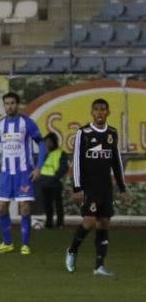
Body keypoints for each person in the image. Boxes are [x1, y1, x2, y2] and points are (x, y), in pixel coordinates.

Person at [66, 97, 127, 277]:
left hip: (105, 187)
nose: (100, 113)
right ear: (92, 112)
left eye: (103, 109)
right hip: (89, 186)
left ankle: (99, 266)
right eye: (97, 109)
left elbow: (116, 162)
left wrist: (122, 188)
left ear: (108, 112)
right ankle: (72, 250)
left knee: (104, 223)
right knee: (89, 221)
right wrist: (77, 187)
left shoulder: (112, 133)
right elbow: (76, 161)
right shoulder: (83, 133)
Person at [0, 91, 43, 255]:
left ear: (18, 104)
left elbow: (42, 145)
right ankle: (7, 243)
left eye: (12, 103)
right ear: (4, 106)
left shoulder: (27, 123)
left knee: (24, 208)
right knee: (2, 208)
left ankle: (25, 244)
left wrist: (38, 167)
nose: (9, 106)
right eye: (7, 103)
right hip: (6, 174)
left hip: (24, 173)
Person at [36, 132, 69, 230]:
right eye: (46, 142)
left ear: (54, 142)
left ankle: (60, 223)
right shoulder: (44, 154)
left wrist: (55, 177)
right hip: (44, 182)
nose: (47, 144)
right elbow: (39, 166)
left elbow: (64, 168)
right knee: (47, 205)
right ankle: (49, 223)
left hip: (55, 183)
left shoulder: (61, 153)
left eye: (49, 142)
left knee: (58, 204)